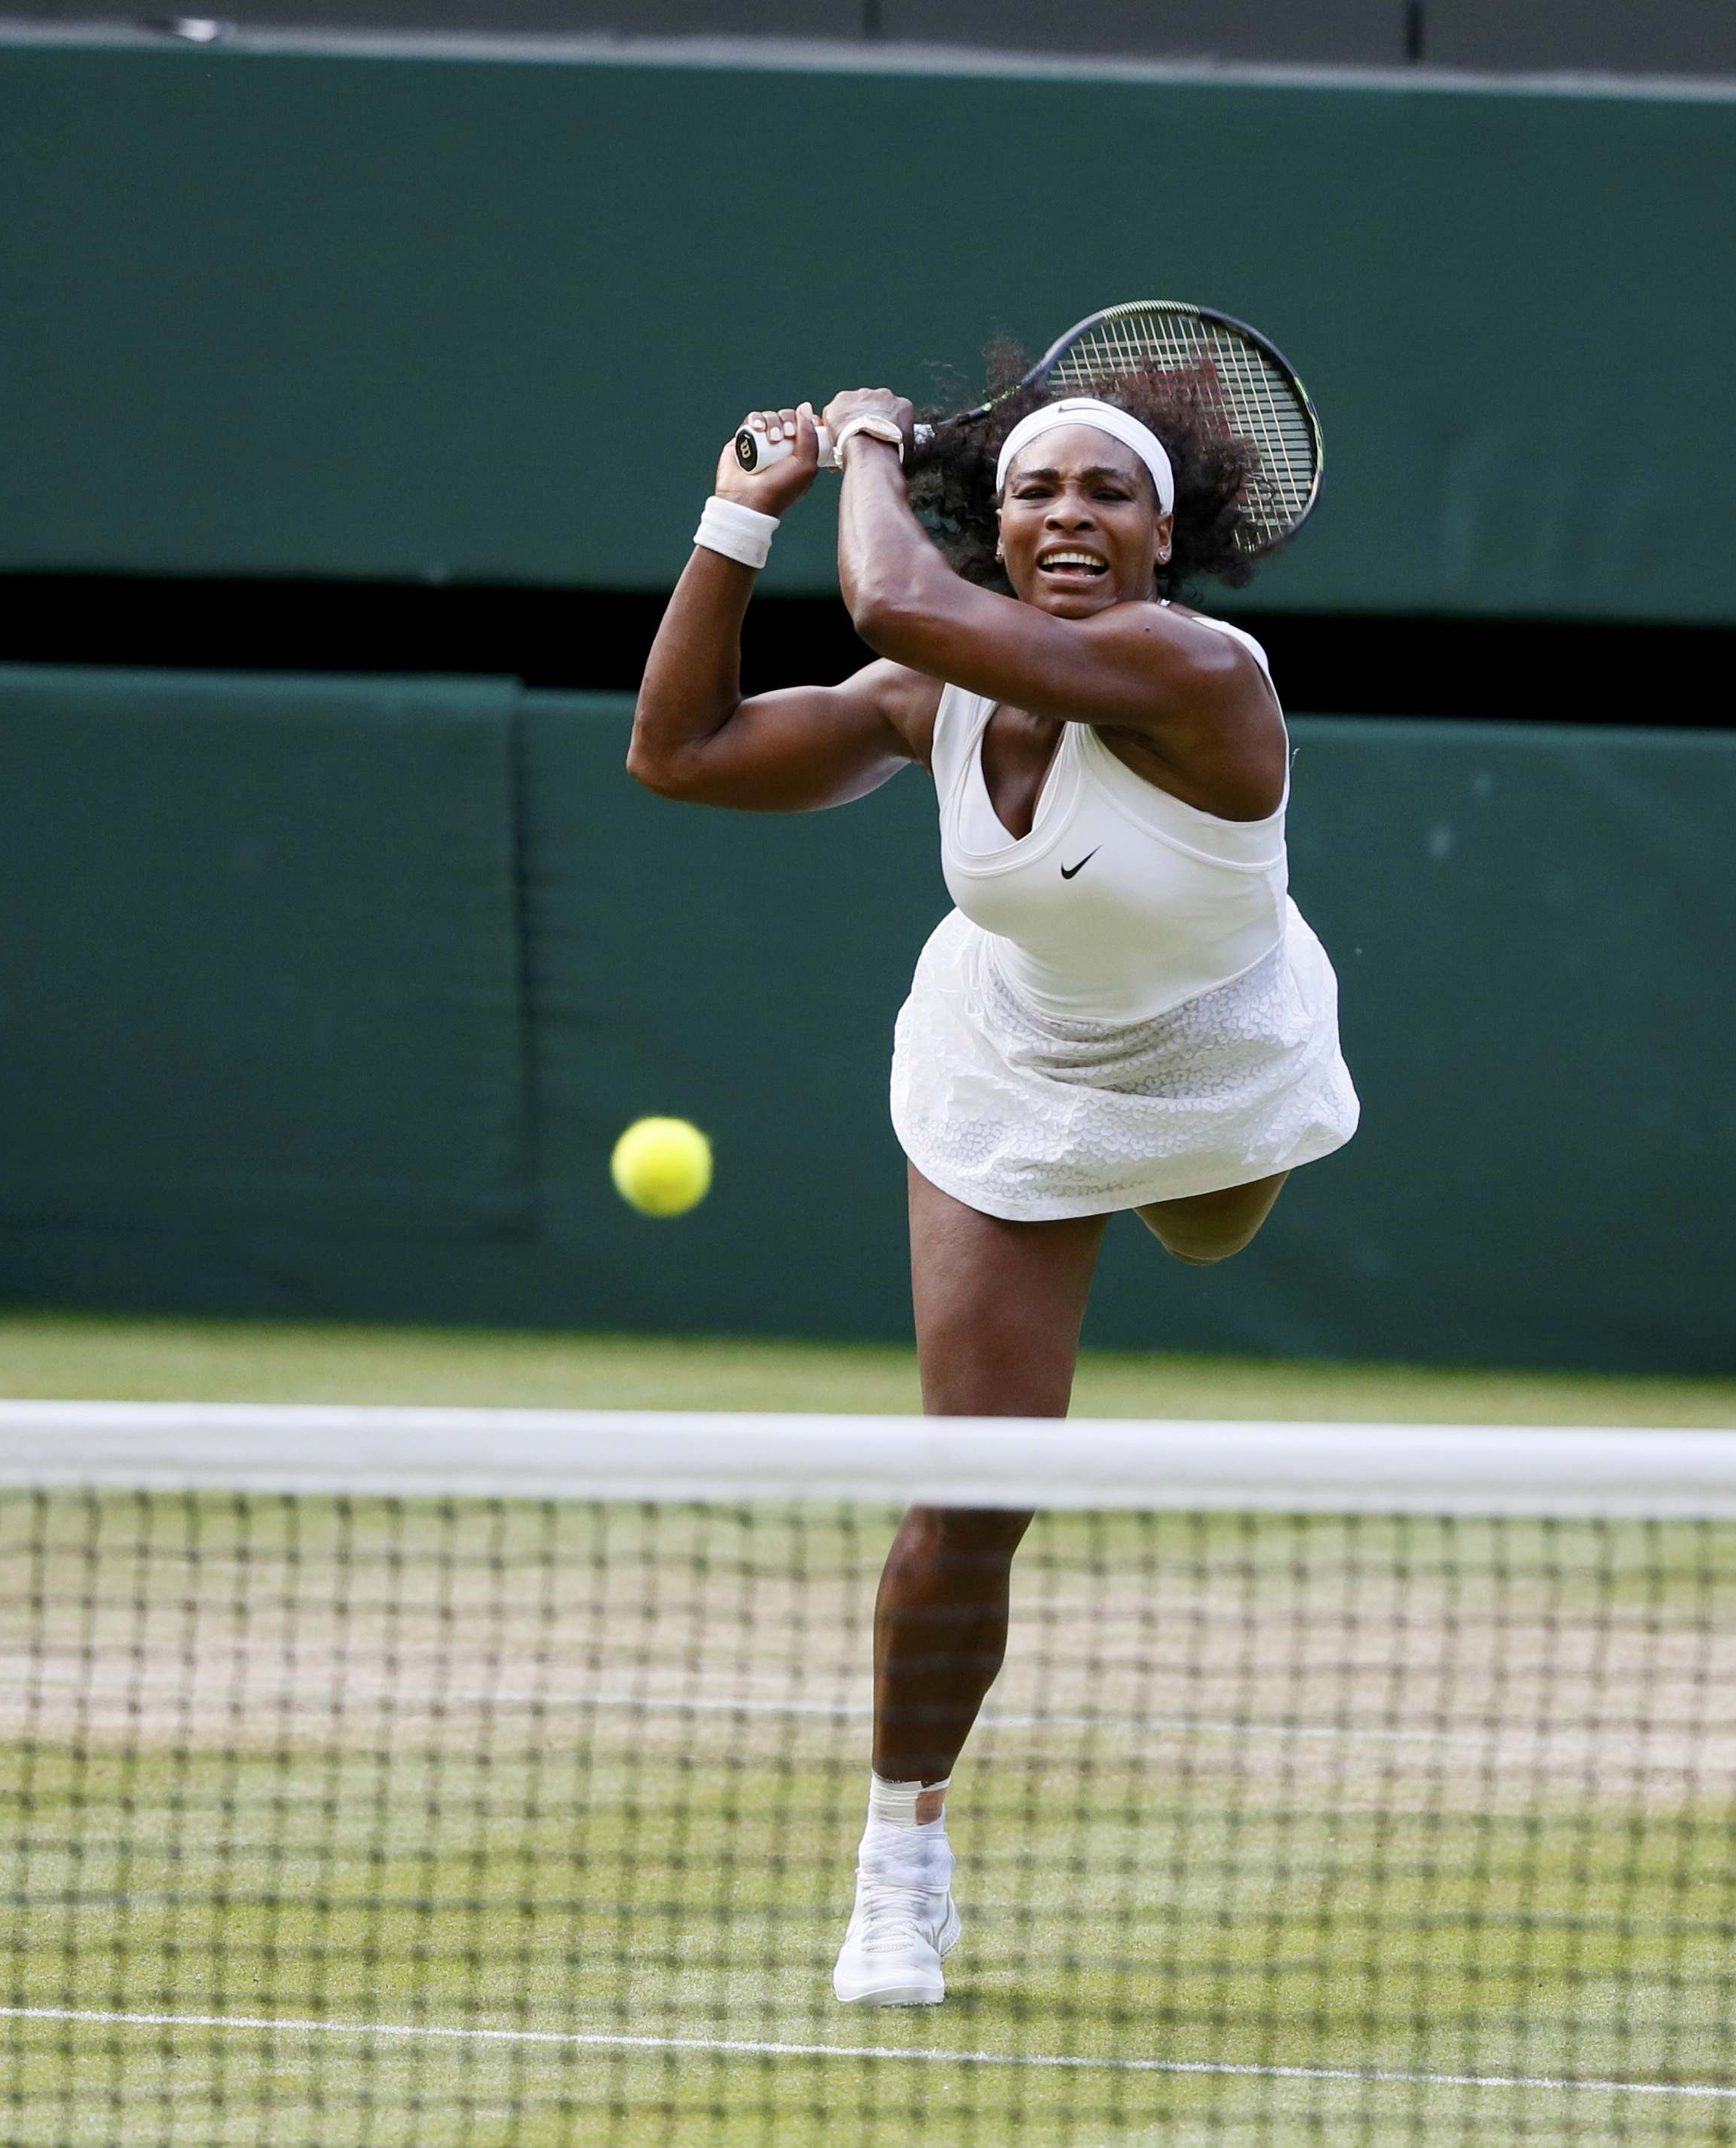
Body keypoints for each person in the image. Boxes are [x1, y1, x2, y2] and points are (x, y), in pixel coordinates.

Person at [629, 377, 1358, 2005]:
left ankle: (1202, 1187)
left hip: (1218, 1071)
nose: (1070, 518)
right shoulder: (927, 695)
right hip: (1010, 1061)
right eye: (1035, 492)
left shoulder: (1199, 669)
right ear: (1001, 523)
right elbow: (679, 754)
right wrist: (739, 514)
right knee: (973, 1492)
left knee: (1209, 1228)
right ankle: (903, 1867)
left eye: (1111, 494)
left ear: (1169, 536)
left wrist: (872, 441)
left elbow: (892, 586)